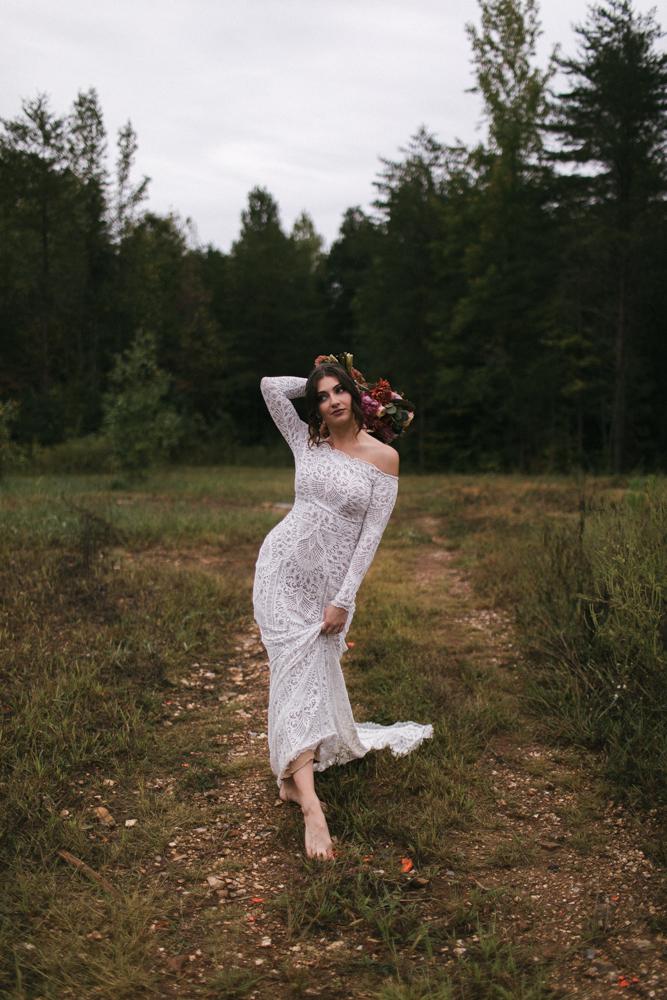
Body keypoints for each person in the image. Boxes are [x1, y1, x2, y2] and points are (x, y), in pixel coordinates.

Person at [252, 361, 433, 860]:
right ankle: (312, 806)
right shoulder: (307, 442)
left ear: (355, 396)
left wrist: (343, 600)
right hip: (280, 572)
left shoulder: (385, 459)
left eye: (340, 391)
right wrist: (318, 375)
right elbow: (269, 388)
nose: (332, 400)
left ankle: (292, 782)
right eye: (322, 396)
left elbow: (369, 540)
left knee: (306, 679)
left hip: (326, 592)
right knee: (292, 676)